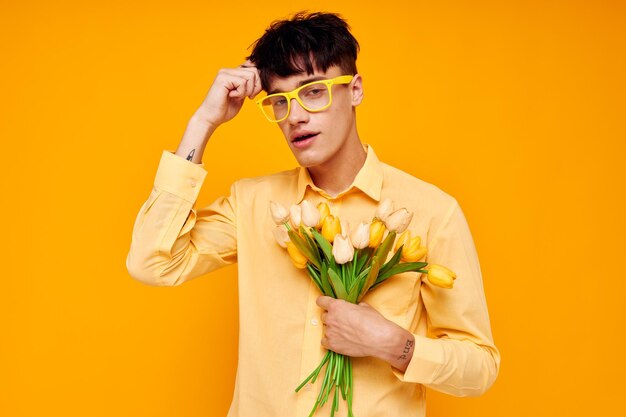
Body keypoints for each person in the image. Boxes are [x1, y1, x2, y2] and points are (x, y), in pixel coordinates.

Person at [126, 11, 500, 417]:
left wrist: (394, 344)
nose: (296, 116)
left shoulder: (431, 212)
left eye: (313, 92)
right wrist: (204, 122)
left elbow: (480, 366)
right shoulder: (253, 203)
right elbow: (151, 263)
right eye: (279, 102)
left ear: (354, 90)